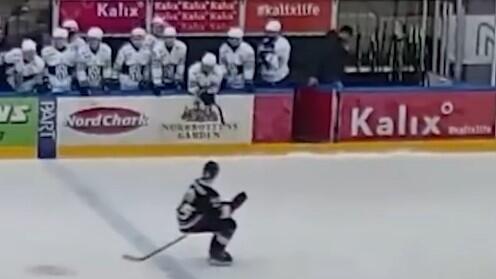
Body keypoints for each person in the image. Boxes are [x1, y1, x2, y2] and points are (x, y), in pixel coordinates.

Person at [177, 161, 247, 265]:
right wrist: (234, 204)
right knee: (229, 225)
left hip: (183, 220)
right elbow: (221, 213)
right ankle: (216, 254)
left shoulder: (195, 185)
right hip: (192, 222)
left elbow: (211, 206)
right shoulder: (210, 194)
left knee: (218, 220)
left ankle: (215, 252)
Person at [151, 26, 187, 94]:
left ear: (175, 37)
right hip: (162, 71)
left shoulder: (182, 47)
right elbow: (156, 66)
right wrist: (157, 82)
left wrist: (178, 79)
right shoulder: (156, 48)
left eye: (171, 37)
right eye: (167, 37)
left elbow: (181, 64)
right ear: (163, 38)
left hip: (174, 71)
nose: (169, 40)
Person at [77, 27, 113, 94]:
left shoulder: (106, 50)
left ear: (100, 40)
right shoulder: (82, 51)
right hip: (87, 81)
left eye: (95, 39)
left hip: (100, 80)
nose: (92, 42)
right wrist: (83, 84)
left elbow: (107, 67)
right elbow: (80, 69)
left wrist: (106, 81)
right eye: (90, 39)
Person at [41, 28, 78, 93]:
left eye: (61, 39)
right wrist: (45, 81)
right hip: (52, 88)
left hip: (68, 87)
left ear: (65, 39)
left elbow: (75, 69)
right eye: (57, 39)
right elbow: (44, 68)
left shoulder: (72, 52)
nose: (59, 41)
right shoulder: (47, 52)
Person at [219, 27, 255, 91]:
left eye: (234, 39)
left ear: (240, 39)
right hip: (228, 80)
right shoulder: (223, 48)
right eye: (230, 38)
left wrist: (248, 80)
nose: (232, 41)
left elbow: (249, 67)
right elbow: (222, 64)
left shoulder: (248, 50)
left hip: (242, 81)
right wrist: (223, 78)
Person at [257, 20, 291, 85]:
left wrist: (266, 56)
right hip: (264, 78)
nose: (269, 34)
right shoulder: (263, 42)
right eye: (267, 32)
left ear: (278, 32)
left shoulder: (283, 44)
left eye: (272, 33)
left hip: (280, 78)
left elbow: (278, 64)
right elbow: (259, 60)